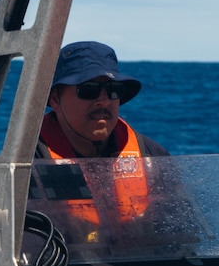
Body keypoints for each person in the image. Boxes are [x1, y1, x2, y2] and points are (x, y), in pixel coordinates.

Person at [36, 41, 175, 236]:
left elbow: (182, 234)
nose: (103, 101)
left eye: (113, 90)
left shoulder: (153, 156)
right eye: (88, 90)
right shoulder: (28, 163)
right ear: (55, 99)